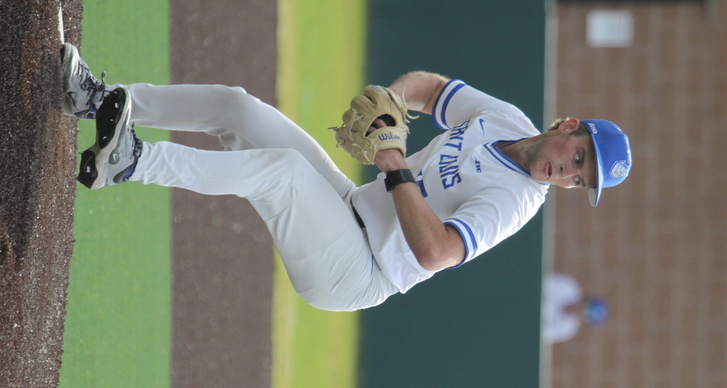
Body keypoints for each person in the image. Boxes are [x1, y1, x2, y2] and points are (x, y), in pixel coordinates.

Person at [60, 43, 632, 313]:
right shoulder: (507, 120)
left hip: (356, 271)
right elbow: (432, 88)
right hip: (346, 205)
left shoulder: (514, 202)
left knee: (282, 174)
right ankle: (101, 101)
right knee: (237, 109)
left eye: (580, 183)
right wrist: (391, 104)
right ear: (570, 126)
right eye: (580, 159)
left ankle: (131, 161)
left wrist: (392, 158)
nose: (569, 175)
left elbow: (434, 253)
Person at [542, 273, 609, 343]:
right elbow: (542, 283)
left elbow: (540, 334)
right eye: (585, 307)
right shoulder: (569, 287)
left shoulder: (567, 329)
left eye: (585, 315)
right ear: (584, 299)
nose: (580, 311)